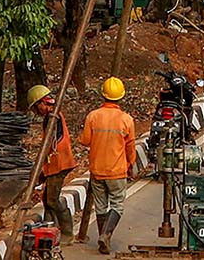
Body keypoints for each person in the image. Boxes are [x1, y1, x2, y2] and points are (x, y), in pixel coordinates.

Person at [80, 77, 136, 255]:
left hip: (97, 170)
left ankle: (103, 238)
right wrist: (131, 165)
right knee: (117, 205)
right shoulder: (126, 119)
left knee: (101, 206)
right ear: (121, 96)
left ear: (103, 95)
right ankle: (106, 234)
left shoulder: (93, 116)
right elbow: (130, 146)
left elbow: (85, 141)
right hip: (117, 172)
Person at [28, 85, 76, 244]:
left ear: (42, 103)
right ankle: (50, 231)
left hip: (59, 162)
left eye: (37, 107)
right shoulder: (52, 116)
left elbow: (50, 143)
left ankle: (68, 232)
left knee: (52, 200)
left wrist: (40, 168)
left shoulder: (52, 117)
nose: (37, 111)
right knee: (47, 199)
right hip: (54, 162)